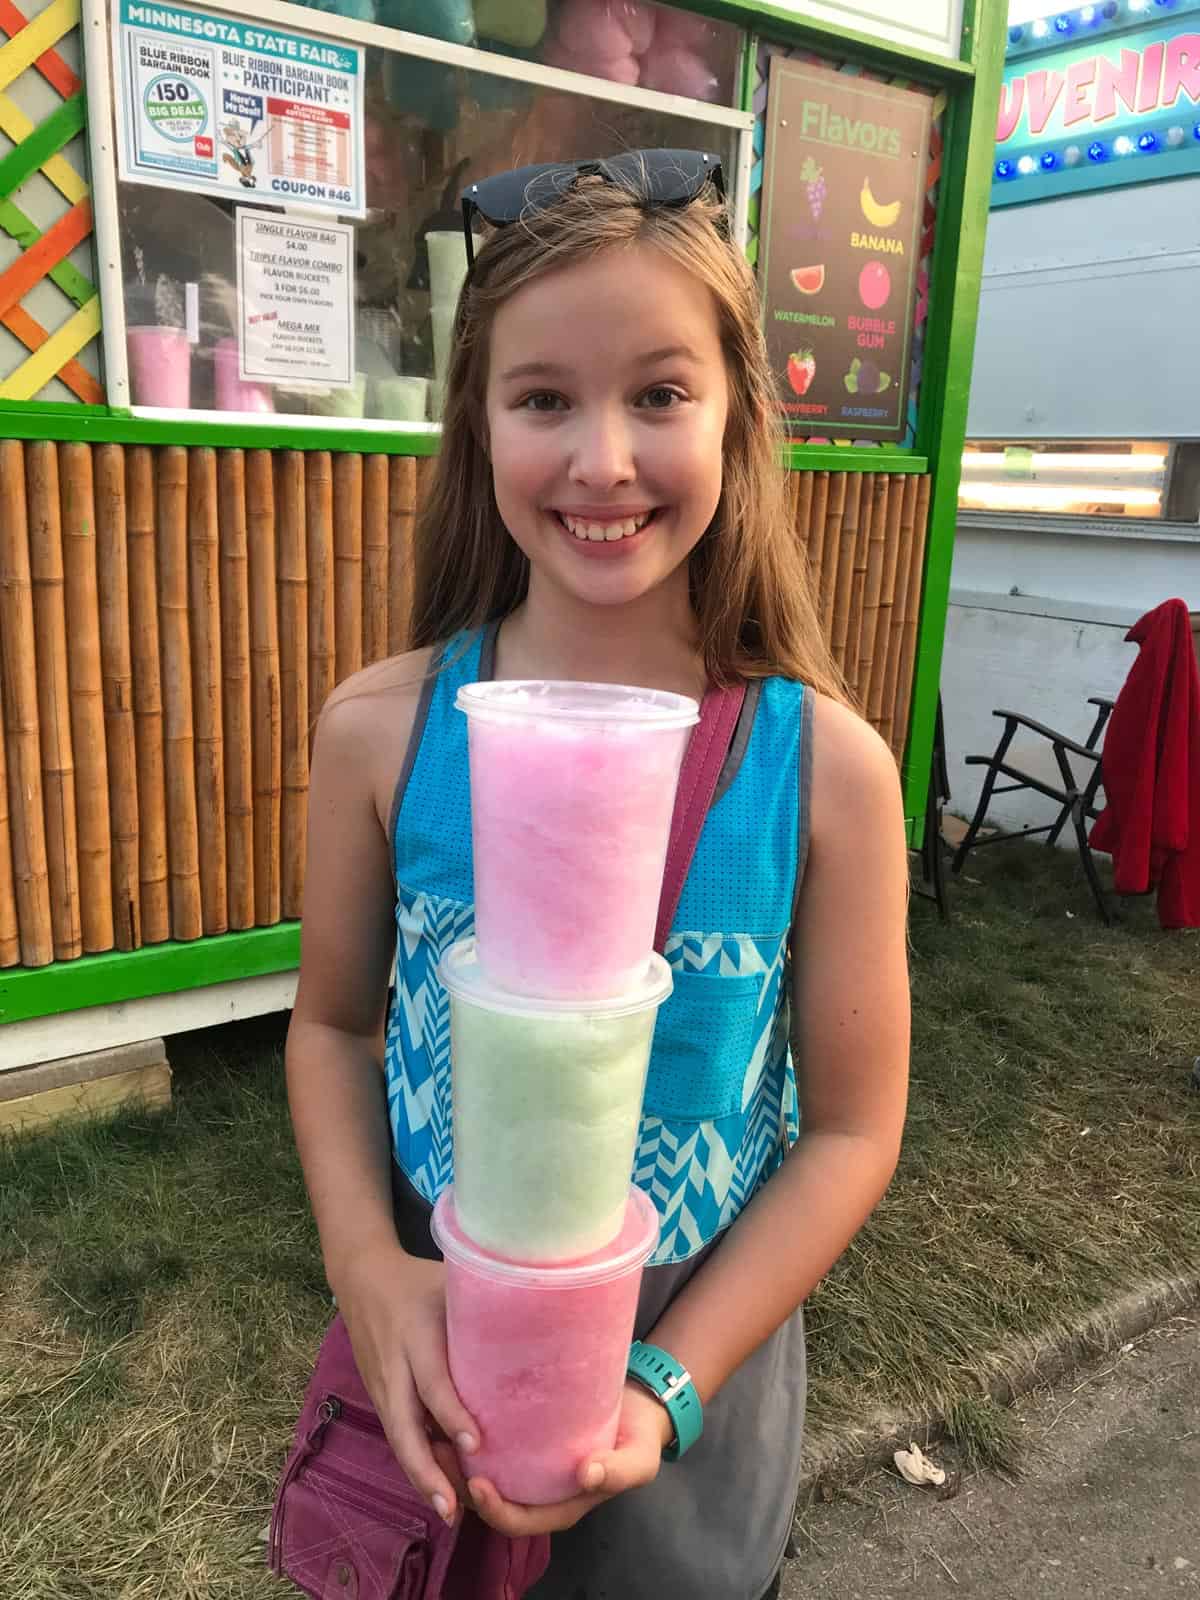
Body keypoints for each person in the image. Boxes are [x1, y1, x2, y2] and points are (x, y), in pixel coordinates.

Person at [285, 149, 910, 1600]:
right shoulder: (382, 732)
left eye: (660, 393)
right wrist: (371, 1272)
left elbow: (852, 1131)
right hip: (443, 1343)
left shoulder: (828, 776)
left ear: (742, 418)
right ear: (479, 424)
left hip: (699, 1374)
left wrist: (670, 1381)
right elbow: (330, 1024)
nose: (603, 459)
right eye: (544, 397)